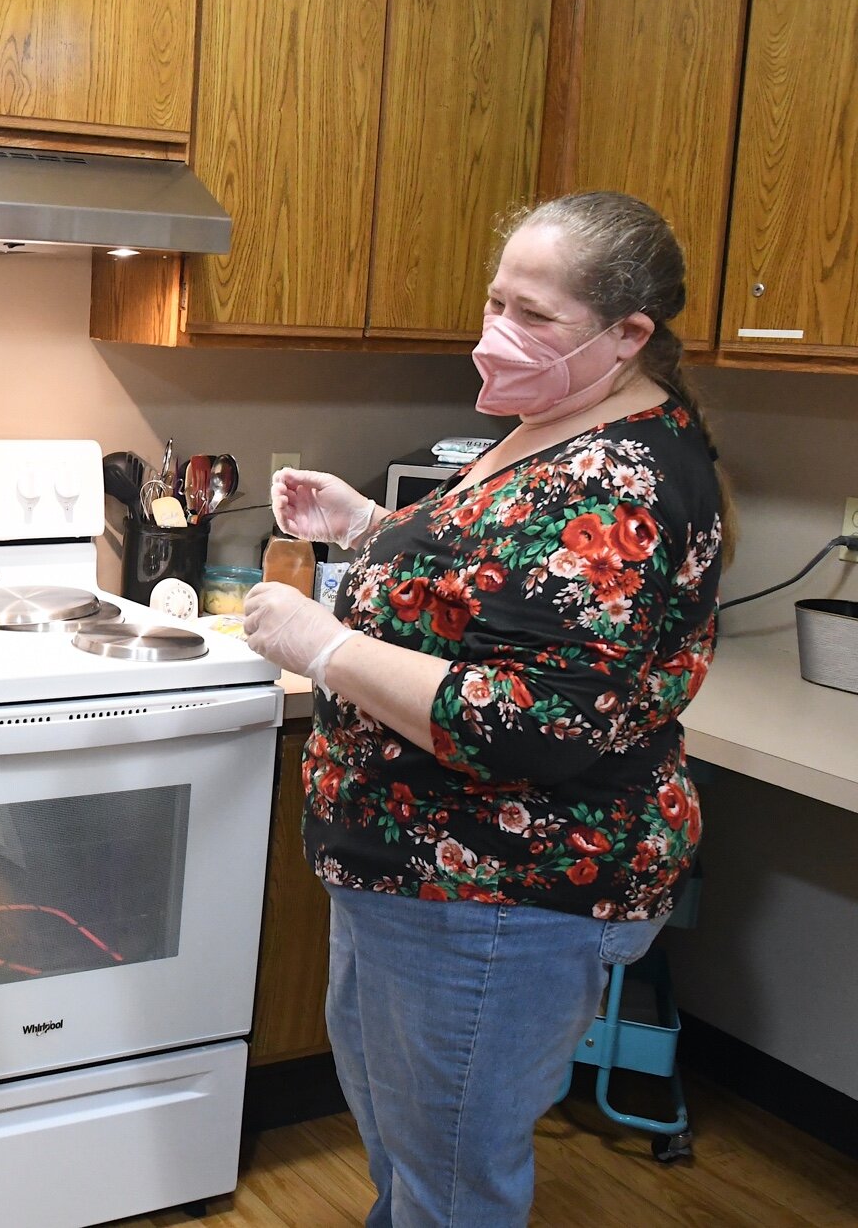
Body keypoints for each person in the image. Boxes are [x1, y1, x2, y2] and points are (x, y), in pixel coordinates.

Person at [241, 192, 726, 1227]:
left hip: (499, 895)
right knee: (411, 1160)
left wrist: (322, 646)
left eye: (533, 314)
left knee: (450, 1184)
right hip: (408, 872)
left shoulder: (622, 476)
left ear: (627, 333)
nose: (496, 331)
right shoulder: (551, 424)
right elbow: (499, 585)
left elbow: (531, 720)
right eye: (495, 299)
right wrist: (370, 525)